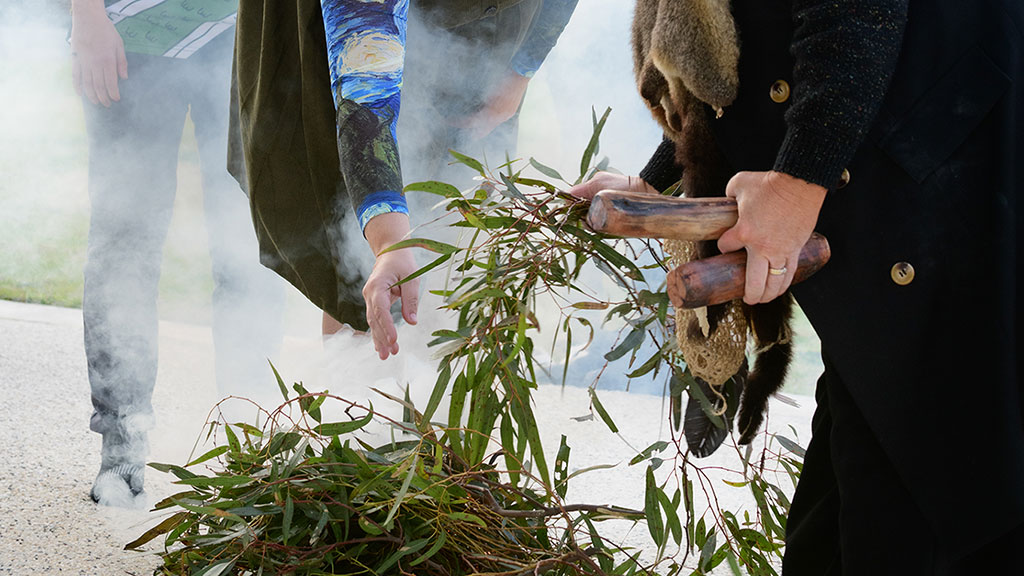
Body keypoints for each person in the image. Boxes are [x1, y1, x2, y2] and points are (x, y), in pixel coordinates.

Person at [572, 0, 1022, 572]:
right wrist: (654, 179)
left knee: (945, 480)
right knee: (845, 505)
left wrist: (793, 185)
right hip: (883, 168)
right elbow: (725, 50)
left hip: (941, 169)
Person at [228, 0, 578, 353]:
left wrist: (520, 71)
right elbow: (367, 93)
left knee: (464, 238)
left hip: (485, 32)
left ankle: (438, 382)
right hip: (354, 34)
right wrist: (389, 245)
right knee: (362, 259)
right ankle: (357, 387)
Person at [70, 0, 284, 505]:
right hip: (131, 32)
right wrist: (87, 17)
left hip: (245, 37)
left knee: (247, 249)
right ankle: (120, 450)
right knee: (125, 244)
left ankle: (251, 447)